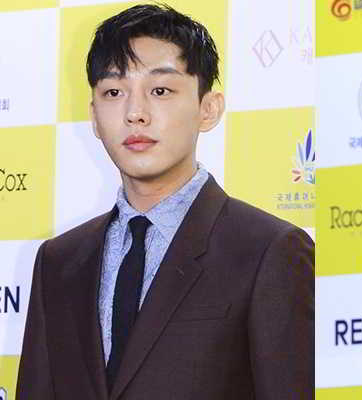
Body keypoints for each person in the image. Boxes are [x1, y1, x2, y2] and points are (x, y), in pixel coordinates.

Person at [17, 4, 314, 400]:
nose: (135, 113)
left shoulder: (268, 251)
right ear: (94, 116)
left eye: (160, 91)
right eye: (113, 92)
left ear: (208, 108)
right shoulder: (58, 261)